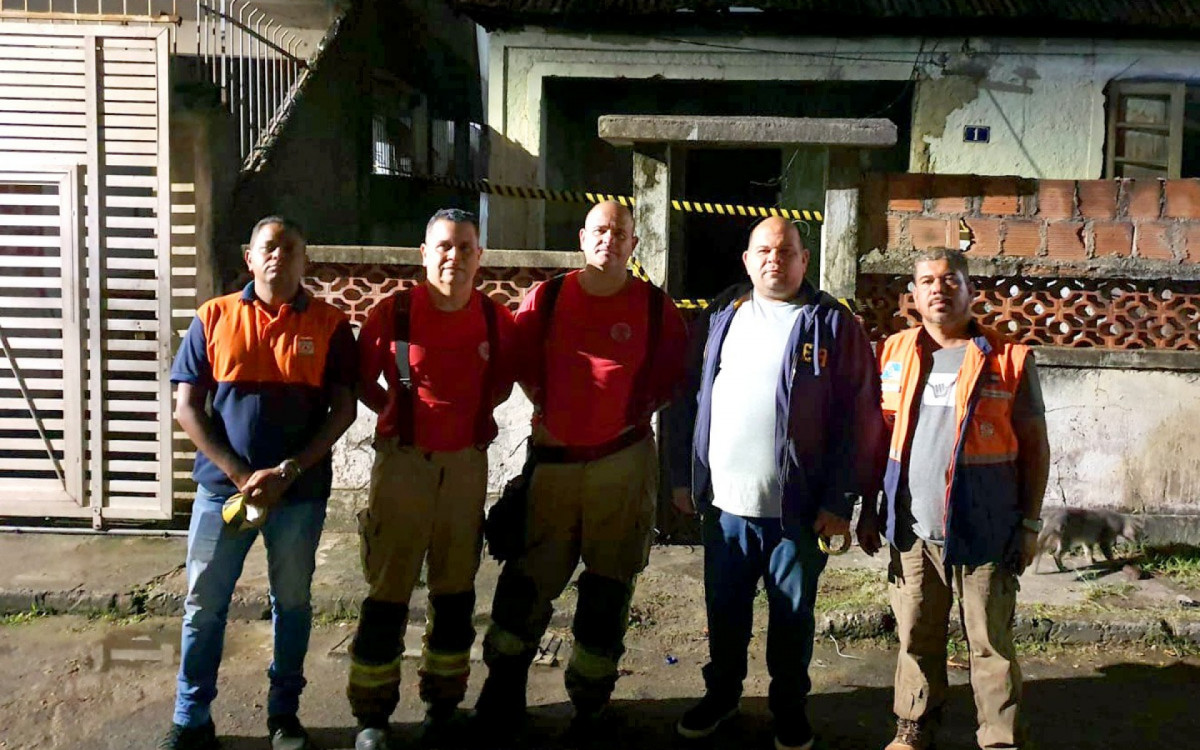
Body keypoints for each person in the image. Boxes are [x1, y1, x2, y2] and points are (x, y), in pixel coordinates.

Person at [668, 216, 886, 750]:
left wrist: (840, 501)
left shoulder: (832, 324)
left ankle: (789, 709)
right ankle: (722, 696)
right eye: (764, 251)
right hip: (726, 506)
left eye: (786, 251)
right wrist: (681, 476)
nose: (775, 259)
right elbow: (687, 397)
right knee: (725, 613)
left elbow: (859, 417)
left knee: (792, 620)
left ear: (805, 260)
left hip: (799, 511)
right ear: (747, 261)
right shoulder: (721, 314)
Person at [474, 200, 687, 738]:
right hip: (555, 465)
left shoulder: (656, 307)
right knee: (526, 581)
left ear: (633, 244)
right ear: (582, 238)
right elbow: (521, 365)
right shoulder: (547, 298)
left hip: (623, 464)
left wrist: (621, 418)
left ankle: (591, 703)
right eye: (599, 230)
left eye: (619, 232)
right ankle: (502, 690)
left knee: (608, 589)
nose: (608, 239)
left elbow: (673, 380)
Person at [162, 217, 358, 750]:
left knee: (291, 603)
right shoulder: (213, 317)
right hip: (222, 493)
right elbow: (186, 407)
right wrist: (242, 475)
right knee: (204, 605)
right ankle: (191, 719)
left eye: (290, 248)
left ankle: (284, 714)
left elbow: (343, 410)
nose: (278, 256)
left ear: (304, 260)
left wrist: (289, 470)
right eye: (268, 247)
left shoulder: (331, 324)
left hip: (299, 496)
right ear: (249, 258)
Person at [856, 247, 1050, 750]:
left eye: (950, 280)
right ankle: (914, 724)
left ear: (970, 290)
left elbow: (1035, 447)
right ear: (913, 295)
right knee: (916, 635)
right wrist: (869, 509)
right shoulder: (892, 352)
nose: (938, 289)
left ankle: (999, 737)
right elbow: (877, 437)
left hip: (985, 525)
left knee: (989, 642)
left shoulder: (1009, 358)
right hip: (912, 529)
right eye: (927, 281)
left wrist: (1030, 525)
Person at [346, 208, 517, 750]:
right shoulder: (393, 313)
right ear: (425, 253)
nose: (454, 257)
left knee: (455, 591)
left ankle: (442, 706)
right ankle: (373, 715)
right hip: (403, 464)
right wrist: (397, 411)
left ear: (479, 256)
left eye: (465, 247)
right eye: (444, 246)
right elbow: (360, 380)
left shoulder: (495, 319)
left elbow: (502, 386)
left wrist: (463, 422)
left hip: (465, 466)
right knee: (388, 591)